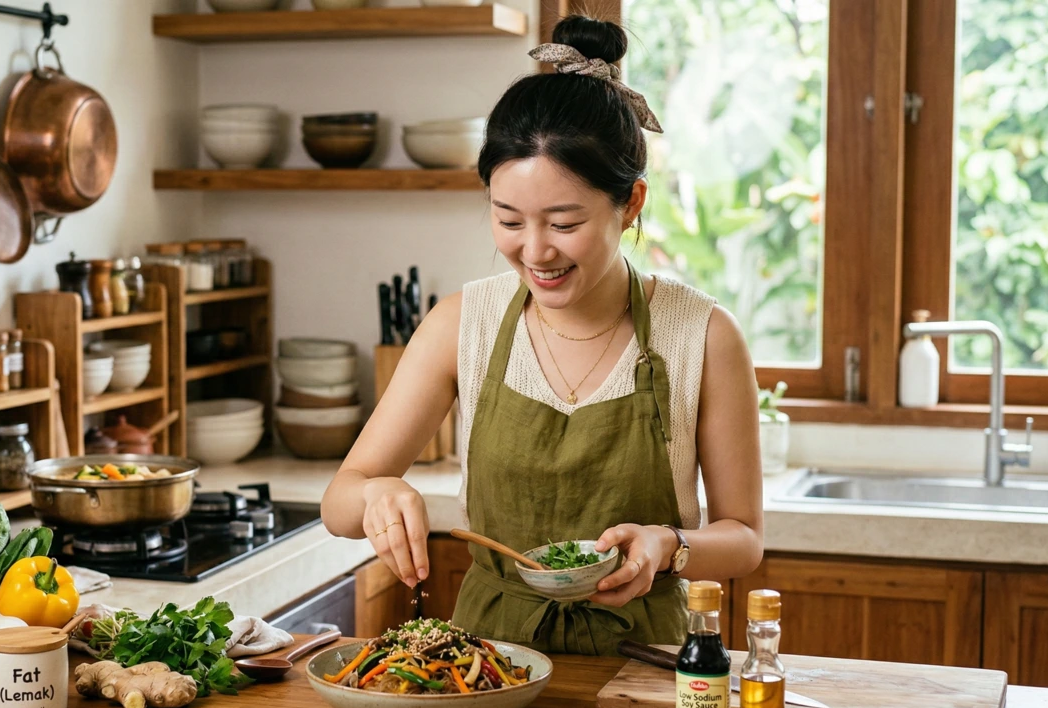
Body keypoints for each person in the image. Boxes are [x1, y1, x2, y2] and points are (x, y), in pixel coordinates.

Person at [321, 15, 764, 655]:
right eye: (508, 220)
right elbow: (340, 499)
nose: (535, 251)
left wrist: (668, 545)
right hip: (487, 667)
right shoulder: (461, 325)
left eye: (563, 222)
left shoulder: (702, 335)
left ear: (631, 203)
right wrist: (376, 492)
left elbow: (744, 538)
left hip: (646, 665)